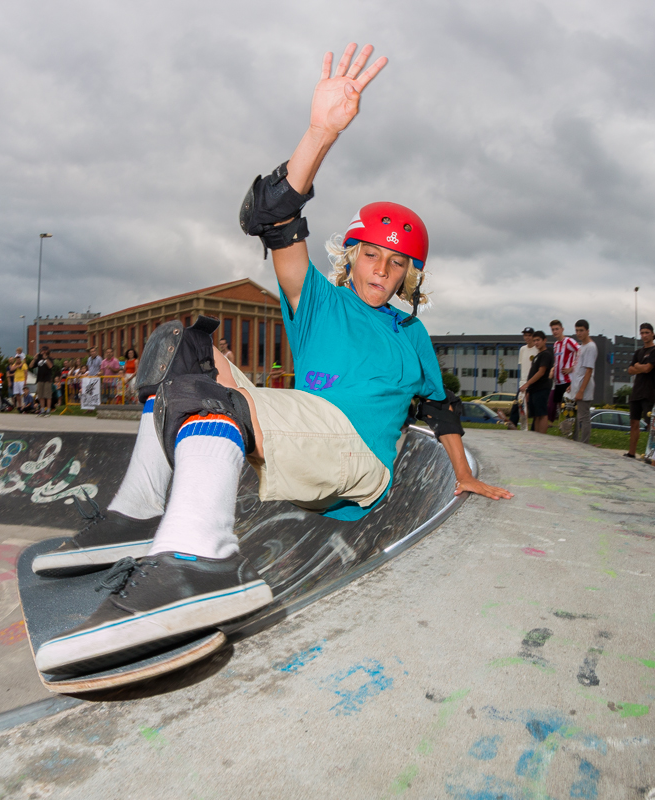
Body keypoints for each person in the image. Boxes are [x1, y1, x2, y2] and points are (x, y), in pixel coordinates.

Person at [29, 43, 512, 677]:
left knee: (216, 398)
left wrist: (463, 471)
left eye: (397, 265)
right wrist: (321, 133)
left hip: (358, 459)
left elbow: (440, 406)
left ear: (408, 278)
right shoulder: (317, 301)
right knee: (182, 352)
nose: (382, 270)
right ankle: (137, 514)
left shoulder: (413, 335)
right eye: (372, 255)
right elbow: (271, 216)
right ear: (352, 255)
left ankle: (199, 563)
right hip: (307, 428)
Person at [625, 323, 655, 458]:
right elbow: (629, 370)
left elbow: (647, 369)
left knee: (651, 424)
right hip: (636, 392)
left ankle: (653, 454)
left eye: (647, 332)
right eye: (642, 333)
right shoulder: (638, 352)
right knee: (634, 422)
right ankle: (631, 452)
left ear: (652, 334)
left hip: (649, 392)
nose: (644, 335)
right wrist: (641, 367)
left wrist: (638, 366)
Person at [517, 331, 552, 433]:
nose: (536, 343)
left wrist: (527, 384)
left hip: (542, 388)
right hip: (534, 389)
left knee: (541, 413)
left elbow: (541, 372)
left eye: (538, 340)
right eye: (535, 340)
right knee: (536, 415)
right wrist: (529, 390)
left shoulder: (546, 354)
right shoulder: (537, 355)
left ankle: (542, 435)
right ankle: (536, 435)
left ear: (544, 340)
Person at [570, 319, 597, 444]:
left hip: (584, 387)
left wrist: (581, 390)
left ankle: (584, 442)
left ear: (587, 331)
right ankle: (575, 440)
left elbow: (588, 370)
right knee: (576, 416)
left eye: (581, 330)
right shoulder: (581, 347)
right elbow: (577, 368)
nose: (579, 333)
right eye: (577, 331)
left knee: (583, 417)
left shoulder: (590, 347)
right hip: (577, 385)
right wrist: (572, 385)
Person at [547, 320, 579, 423]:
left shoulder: (569, 341)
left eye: (557, 329)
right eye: (553, 330)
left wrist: (572, 367)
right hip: (558, 381)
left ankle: (572, 429)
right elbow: (557, 362)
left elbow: (581, 351)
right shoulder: (556, 344)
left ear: (562, 329)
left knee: (569, 408)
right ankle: (563, 428)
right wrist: (553, 369)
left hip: (567, 380)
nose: (555, 331)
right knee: (559, 407)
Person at [517, 327, 538, 430]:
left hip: (533, 382)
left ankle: (534, 430)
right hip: (522, 382)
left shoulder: (537, 349)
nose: (527, 337)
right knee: (521, 408)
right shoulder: (522, 349)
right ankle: (523, 429)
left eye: (529, 335)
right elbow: (522, 366)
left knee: (533, 408)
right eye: (525, 335)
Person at [35, 348, 55, 415]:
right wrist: (34, 358)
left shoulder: (50, 359)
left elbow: (50, 366)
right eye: (41, 351)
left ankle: (48, 410)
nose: (42, 352)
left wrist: (46, 358)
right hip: (40, 379)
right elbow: (31, 365)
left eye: (44, 350)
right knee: (40, 395)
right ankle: (42, 409)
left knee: (48, 395)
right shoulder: (38, 359)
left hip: (47, 379)